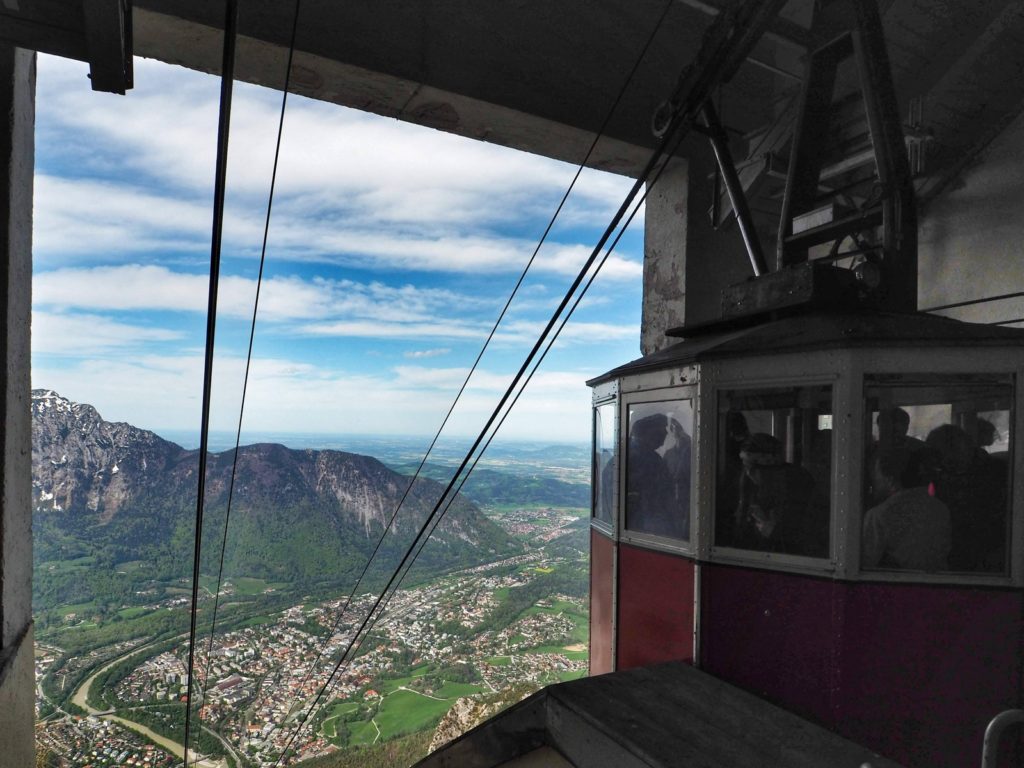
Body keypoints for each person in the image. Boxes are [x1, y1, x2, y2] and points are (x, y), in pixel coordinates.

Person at [734, 433, 825, 556]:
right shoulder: (750, 484)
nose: (749, 473)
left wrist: (772, 530)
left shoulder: (798, 483)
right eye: (746, 466)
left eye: (753, 468)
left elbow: (811, 534)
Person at [862, 448, 950, 571]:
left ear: (889, 477)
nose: (873, 481)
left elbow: (865, 566)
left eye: (875, 474)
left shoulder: (878, 517)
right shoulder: (941, 509)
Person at [626, 413, 676, 537]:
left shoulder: (627, 455)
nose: (666, 433)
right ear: (648, 432)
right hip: (648, 528)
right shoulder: (647, 460)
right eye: (662, 429)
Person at [661, 417, 692, 539]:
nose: (675, 430)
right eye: (672, 427)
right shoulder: (669, 454)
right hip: (671, 500)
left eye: (678, 426)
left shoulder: (694, 453)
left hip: (689, 500)